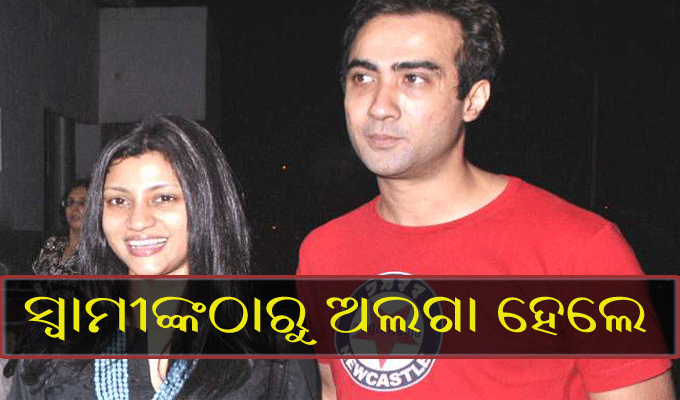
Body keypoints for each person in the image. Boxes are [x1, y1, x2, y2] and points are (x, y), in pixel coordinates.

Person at [296, 0, 674, 399]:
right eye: (362, 77)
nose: (380, 106)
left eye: (414, 79)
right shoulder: (324, 251)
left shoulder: (581, 251)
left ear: (473, 100)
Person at [8, 115, 318, 399]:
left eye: (164, 198)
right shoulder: (56, 336)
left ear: (206, 205)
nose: (137, 221)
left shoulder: (268, 343)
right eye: (118, 201)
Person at [32, 179, 89, 275]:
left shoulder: (99, 253)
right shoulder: (52, 245)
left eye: (82, 203)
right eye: (70, 202)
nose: (74, 208)